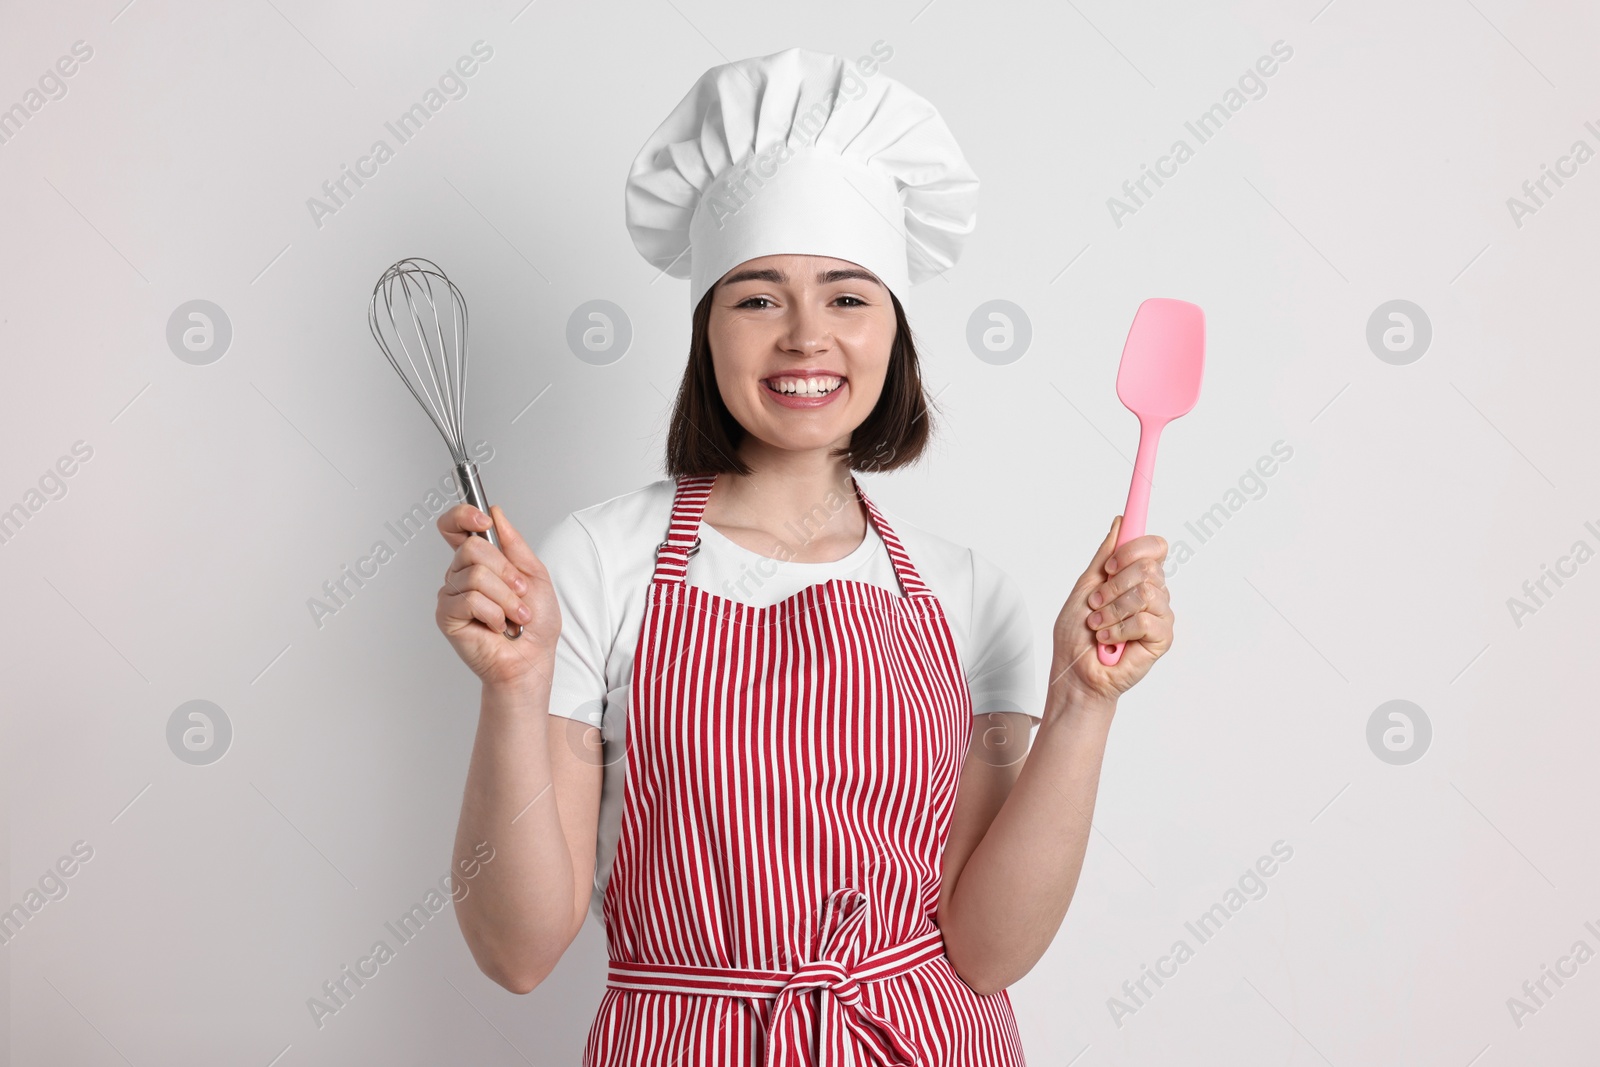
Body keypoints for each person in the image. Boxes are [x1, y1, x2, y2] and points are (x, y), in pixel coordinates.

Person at [435, 47, 1174, 1066]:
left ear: (895, 333)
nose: (804, 337)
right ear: (706, 332)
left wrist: (1085, 698)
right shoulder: (600, 562)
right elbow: (516, 950)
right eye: (756, 297)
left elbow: (990, 949)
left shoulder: (969, 594)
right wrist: (514, 690)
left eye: (847, 296)